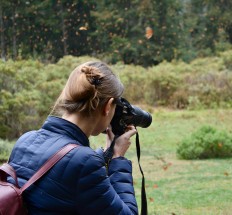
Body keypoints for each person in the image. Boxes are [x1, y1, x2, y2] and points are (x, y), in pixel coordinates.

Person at [8, 61, 138, 214]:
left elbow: (61, 176)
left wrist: (105, 154)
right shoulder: (84, 162)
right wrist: (117, 158)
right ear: (108, 106)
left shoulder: (26, 140)